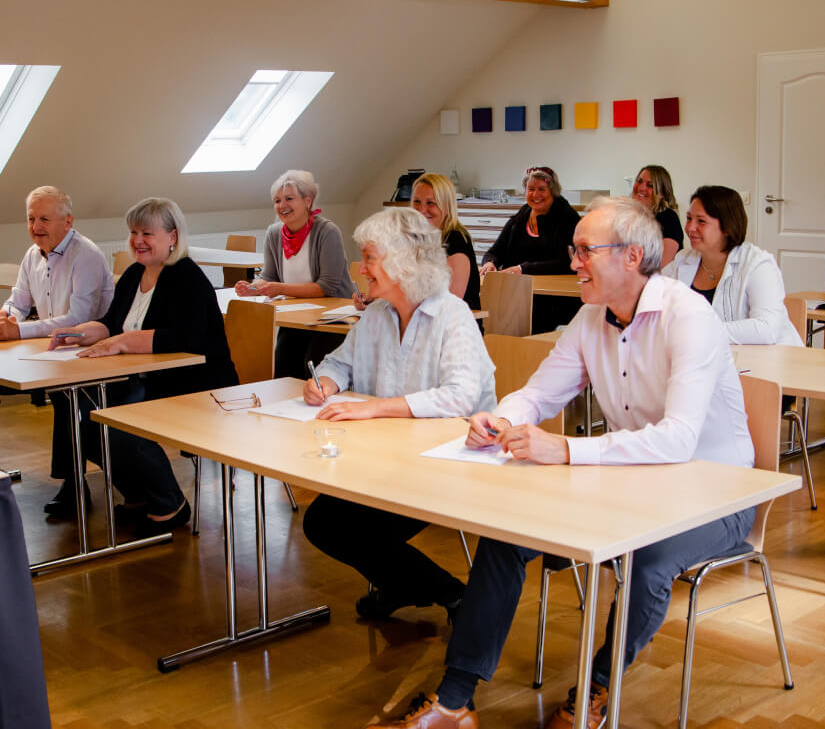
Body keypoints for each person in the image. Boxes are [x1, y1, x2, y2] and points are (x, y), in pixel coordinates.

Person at [363, 196, 756, 729]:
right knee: (506, 535)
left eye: (583, 250)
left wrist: (567, 451)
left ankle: (597, 686)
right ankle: (454, 703)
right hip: (632, 481)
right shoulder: (592, 315)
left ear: (633, 257)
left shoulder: (689, 317)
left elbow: (678, 439)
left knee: (648, 559)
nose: (572, 261)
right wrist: (499, 420)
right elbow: (540, 393)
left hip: (718, 494)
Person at [302, 207, 496, 622]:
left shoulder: (453, 316)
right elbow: (339, 363)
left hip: (450, 464)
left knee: (357, 531)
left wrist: (375, 409)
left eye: (370, 257)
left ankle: (451, 595)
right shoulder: (375, 315)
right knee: (322, 522)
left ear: (403, 262)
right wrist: (327, 383)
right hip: (390, 461)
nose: (362, 268)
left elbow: (462, 397)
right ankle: (413, 586)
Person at [51, 197, 238, 536]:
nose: (138, 240)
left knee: (123, 425)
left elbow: (185, 338)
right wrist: (79, 334)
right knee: (88, 427)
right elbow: (111, 323)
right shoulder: (134, 274)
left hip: (193, 381)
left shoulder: (187, 277)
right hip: (144, 377)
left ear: (172, 236)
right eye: (134, 232)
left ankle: (171, 504)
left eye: (147, 233)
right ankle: (139, 495)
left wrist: (123, 342)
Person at [0, 186, 114, 518]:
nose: (36, 226)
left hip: (94, 350)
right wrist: (8, 316)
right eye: (31, 218)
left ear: (68, 221)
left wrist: (18, 330)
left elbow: (79, 319)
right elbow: (18, 300)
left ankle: (74, 487)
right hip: (52, 349)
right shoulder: (32, 254)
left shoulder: (86, 255)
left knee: (66, 397)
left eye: (44, 219)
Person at [234, 170, 351, 379]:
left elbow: (326, 287)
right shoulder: (273, 233)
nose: (282, 206)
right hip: (297, 315)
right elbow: (269, 276)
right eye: (277, 200)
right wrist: (253, 288)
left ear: (308, 201)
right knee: (283, 367)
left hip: (332, 318)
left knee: (312, 366)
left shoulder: (327, 232)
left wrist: (280, 288)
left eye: (289, 199)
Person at [663, 185, 802, 346]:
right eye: (688, 218)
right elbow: (652, 299)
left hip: (771, 364)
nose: (690, 228)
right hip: (718, 360)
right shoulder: (683, 260)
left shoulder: (758, 264)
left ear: (727, 227)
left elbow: (766, 329)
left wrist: (700, 332)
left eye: (701, 221)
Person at [479, 166, 581, 332]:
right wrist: (490, 263)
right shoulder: (522, 215)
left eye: (542, 189)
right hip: (519, 292)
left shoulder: (566, 217)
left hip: (554, 299)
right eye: (531, 189)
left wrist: (523, 269)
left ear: (553, 191)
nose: (535, 195)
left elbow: (566, 262)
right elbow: (495, 251)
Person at [411, 173, 481, 314]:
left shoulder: (456, 240)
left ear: (447, 206)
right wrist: (373, 298)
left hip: (455, 328)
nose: (421, 210)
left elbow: (449, 302)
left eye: (431, 203)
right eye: (417, 202)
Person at [630, 164, 683, 266]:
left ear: (662, 193)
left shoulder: (669, 218)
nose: (641, 188)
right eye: (639, 181)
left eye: (650, 185)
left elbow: (661, 265)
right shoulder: (632, 217)